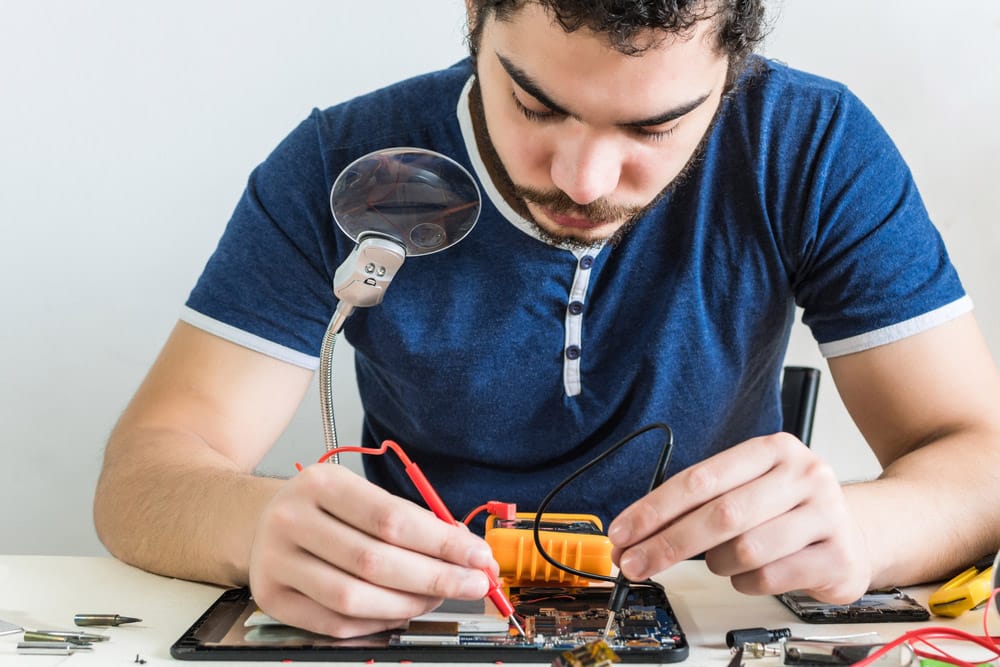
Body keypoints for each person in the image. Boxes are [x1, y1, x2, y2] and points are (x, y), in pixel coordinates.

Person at [94, 0, 1000, 640]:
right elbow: (144, 477)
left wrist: (860, 531)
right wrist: (254, 528)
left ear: (732, 65)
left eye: (652, 128)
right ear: (475, 17)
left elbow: (978, 456)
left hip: (702, 615)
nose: (584, 179)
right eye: (536, 104)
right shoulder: (343, 163)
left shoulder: (811, 145)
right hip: (420, 622)